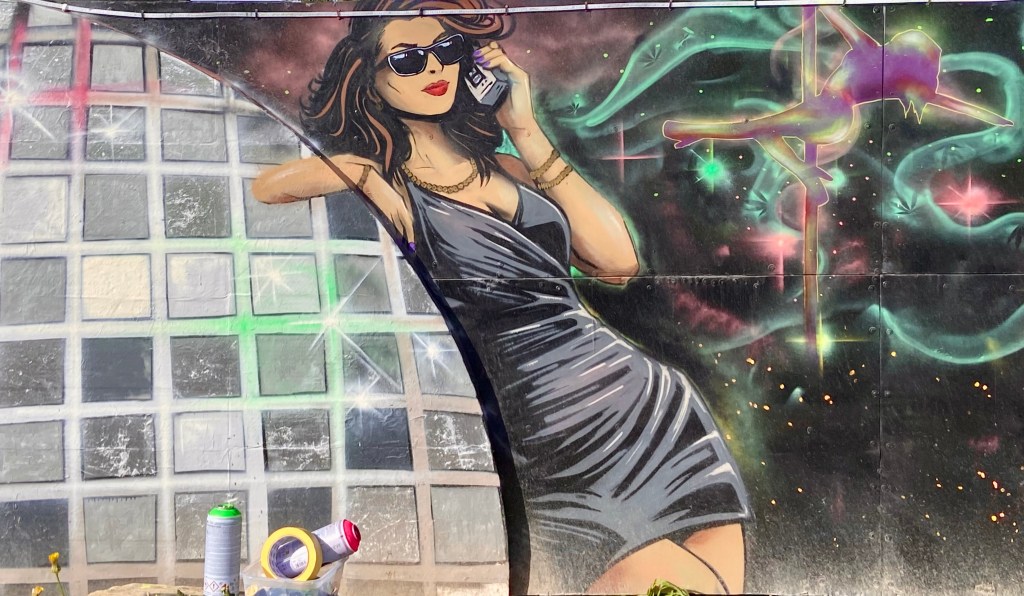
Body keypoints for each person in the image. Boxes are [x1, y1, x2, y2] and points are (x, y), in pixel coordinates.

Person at [252, 1, 750, 593]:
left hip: (654, 411)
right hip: (545, 437)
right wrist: (358, 172)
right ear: (371, 81)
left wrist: (526, 129)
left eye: (446, 51)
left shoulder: (510, 167)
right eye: (407, 60)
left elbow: (617, 260)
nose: (433, 67)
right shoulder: (390, 187)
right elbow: (265, 186)